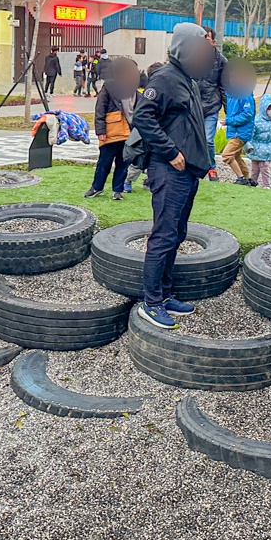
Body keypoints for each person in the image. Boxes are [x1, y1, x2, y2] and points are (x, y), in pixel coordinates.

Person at [131, 23, 215, 329]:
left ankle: (165, 295)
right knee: (164, 236)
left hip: (187, 172)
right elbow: (142, 116)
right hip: (169, 171)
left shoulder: (188, 79)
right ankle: (151, 303)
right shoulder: (165, 77)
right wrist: (171, 152)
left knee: (177, 234)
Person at [86, 57, 141, 201]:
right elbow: (100, 109)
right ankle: (97, 187)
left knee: (123, 163)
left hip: (129, 132)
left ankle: (118, 190)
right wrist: (101, 130)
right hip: (112, 130)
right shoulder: (109, 86)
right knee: (104, 161)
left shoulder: (135, 89)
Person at [198, 27, 227, 181]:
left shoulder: (221, 61)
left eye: (207, 40)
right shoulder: (192, 57)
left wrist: (228, 111)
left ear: (213, 42)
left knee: (208, 140)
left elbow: (224, 86)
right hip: (193, 105)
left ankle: (212, 167)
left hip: (211, 105)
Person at [221, 59, 256, 186]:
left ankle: (240, 177)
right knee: (236, 156)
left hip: (240, 132)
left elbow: (248, 114)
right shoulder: (231, 94)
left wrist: (229, 121)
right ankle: (247, 178)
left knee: (227, 155)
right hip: (235, 130)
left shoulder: (244, 94)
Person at [246, 94, 271, 188]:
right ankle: (253, 183)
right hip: (256, 148)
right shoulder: (256, 120)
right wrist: (248, 146)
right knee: (254, 169)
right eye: (269, 108)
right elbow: (250, 135)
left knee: (265, 167)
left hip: (269, 149)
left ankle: (266, 185)